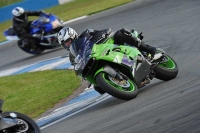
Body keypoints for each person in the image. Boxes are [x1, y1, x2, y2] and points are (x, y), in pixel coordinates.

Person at [57, 27, 157, 64]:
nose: (67, 44)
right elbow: (76, 66)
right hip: (97, 60)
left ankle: (146, 48)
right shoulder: (72, 55)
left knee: (120, 33)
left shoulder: (86, 34)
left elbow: (104, 31)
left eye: (68, 41)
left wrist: (100, 37)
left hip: (108, 45)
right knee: (98, 88)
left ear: (73, 35)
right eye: (64, 43)